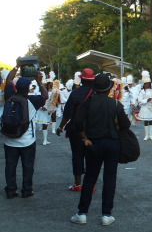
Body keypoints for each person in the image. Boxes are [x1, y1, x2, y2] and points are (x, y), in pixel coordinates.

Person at [70, 74, 130, 226]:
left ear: (94, 88)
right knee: (110, 178)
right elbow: (126, 125)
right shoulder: (115, 104)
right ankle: (106, 214)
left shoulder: (87, 102)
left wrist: (84, 138)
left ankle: (82, 213)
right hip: (112, 144)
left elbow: (77, 123)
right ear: (109, 88)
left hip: (93, 144)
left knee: (90, 178)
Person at [2, 67, 48, 198]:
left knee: (10, 166)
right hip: (27, 141)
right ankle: (27, 190)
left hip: (9, 139)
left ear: (16, 87)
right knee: (28, 166)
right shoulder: (33, 101)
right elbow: (45, 95)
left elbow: (9, 79)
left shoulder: (9, 95)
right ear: (28, 88)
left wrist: (16, 67)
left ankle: (11, 190)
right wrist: (39, 81)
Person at [57, 68, 95, 191]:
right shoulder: (96, 93)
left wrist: (60, 126)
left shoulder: (74, 93)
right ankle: (90, 185)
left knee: (77, 155)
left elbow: (67, 113)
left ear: (82, 80)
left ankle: (78, 184)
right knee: (91, 157)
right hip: (92, 130)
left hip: (76, 129)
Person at [137, 70, 152, 141]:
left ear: (150, 84)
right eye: (145, 84)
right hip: (145, 108)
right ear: (143, 85)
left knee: (151, 121)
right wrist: (147, 100)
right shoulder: (142, 91)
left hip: (151, 108)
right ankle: (146, 135)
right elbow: (140, 100)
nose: (147, 85)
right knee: (146, 121)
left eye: (148, 84)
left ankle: (151, 135)